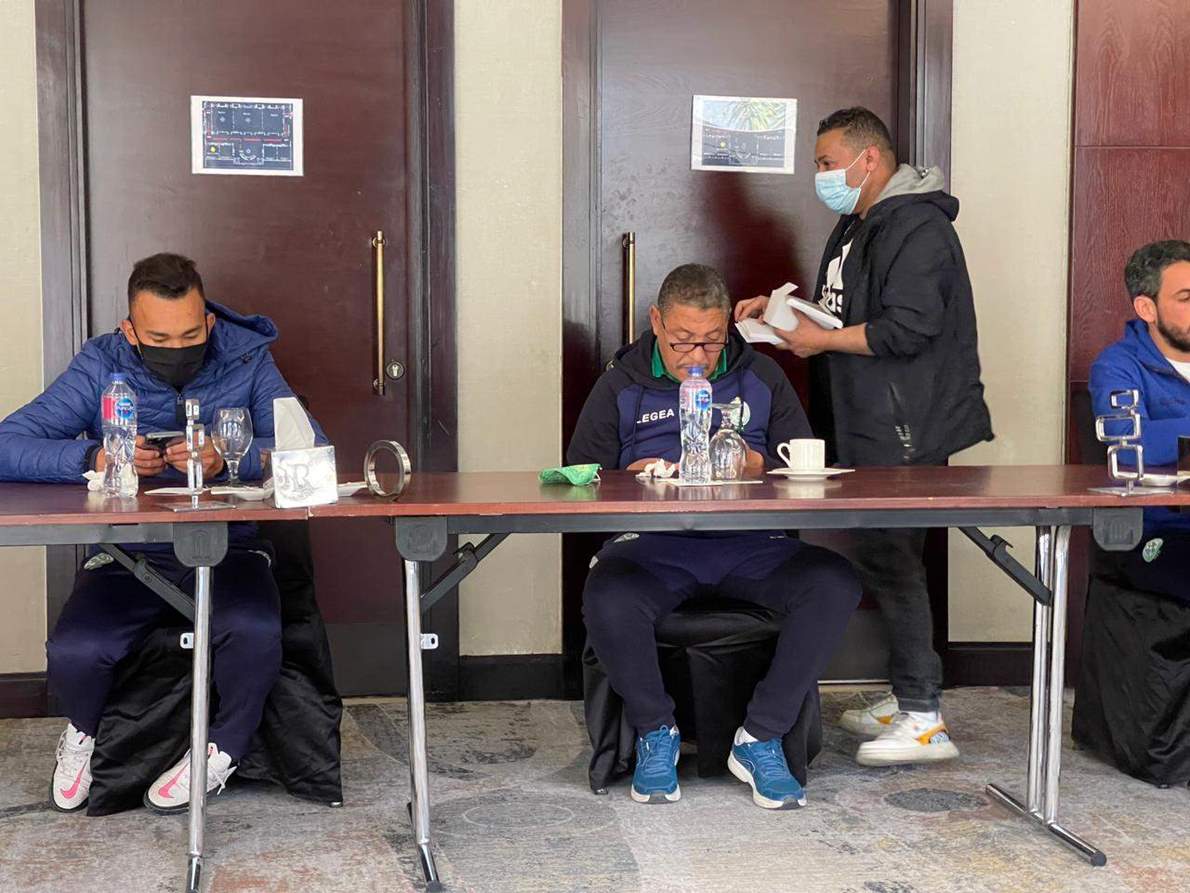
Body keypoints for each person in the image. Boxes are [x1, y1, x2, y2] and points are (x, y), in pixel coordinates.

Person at [0, 252, 327, 814]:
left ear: (209, 323)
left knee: (255, 632)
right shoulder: (101, 363)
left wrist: (230, 457)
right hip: (128, 549)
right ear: (130, 331)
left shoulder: (248, 357)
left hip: (229, 544)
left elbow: (312, 450)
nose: (177, 349)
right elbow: (8, 445)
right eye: (158, 338)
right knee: (76, 650)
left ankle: (222, 751)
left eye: (190, 335)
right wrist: (96, 457)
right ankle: (81, 734)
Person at [735, 107, 992, 766]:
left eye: (827, 163)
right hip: (867, 420)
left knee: (893, 559)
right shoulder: (862, 222)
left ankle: (924, 717)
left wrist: (817, 341)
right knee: (883, 556)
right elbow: (847, 313)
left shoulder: (919, 228)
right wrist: (781, 314)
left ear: (868, 158)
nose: (820, 175)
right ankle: (907, 691)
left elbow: (908, 328)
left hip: (904, 427)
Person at [568, 262, 861, 809]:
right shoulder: (621, 384)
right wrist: (631, 477)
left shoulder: (760, 376)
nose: (697, 356)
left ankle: (762, 736)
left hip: (751, 544)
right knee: (606, 593)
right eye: (683, 341)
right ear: (656, 321)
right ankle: (655, 731)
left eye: (712, 340)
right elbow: (581, 474)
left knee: (833, 582)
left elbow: (803, 465)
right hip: (655, 546)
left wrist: (758, 465)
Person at [1089, 239, 1190, 594]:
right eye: (1186, 298)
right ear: (1147, 308)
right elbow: (1128, 444)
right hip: (1161, 529)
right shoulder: (1117, 365)